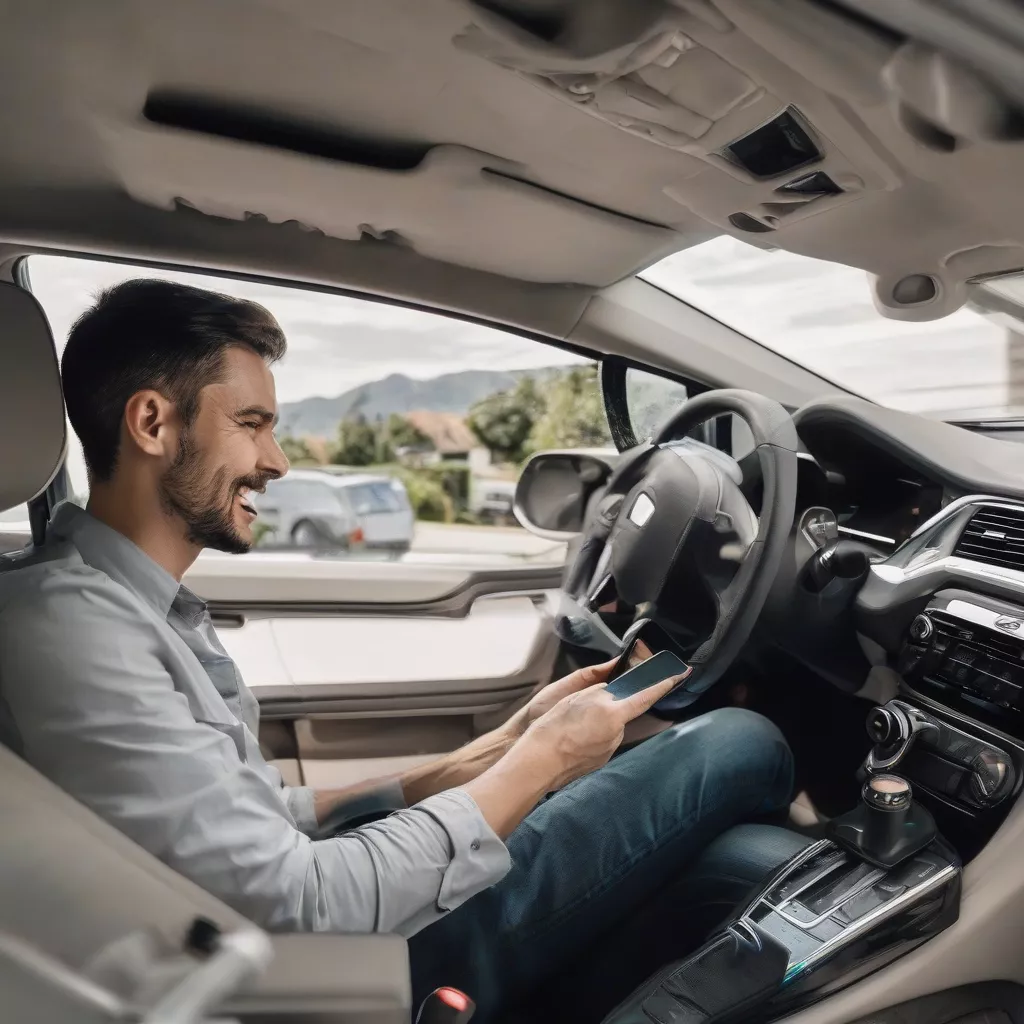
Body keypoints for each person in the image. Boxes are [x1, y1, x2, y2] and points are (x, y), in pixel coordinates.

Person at [0, 280, 795, 1022]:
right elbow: (302, 905)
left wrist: (497, 750)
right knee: (740, 742)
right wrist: (546, 763)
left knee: (737, 857)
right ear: (151, 424)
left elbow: (261, 823)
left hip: (291, 938)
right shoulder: (68, 628)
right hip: (320, 978)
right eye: (251, 425)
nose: (276, 462)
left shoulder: (118, 606)